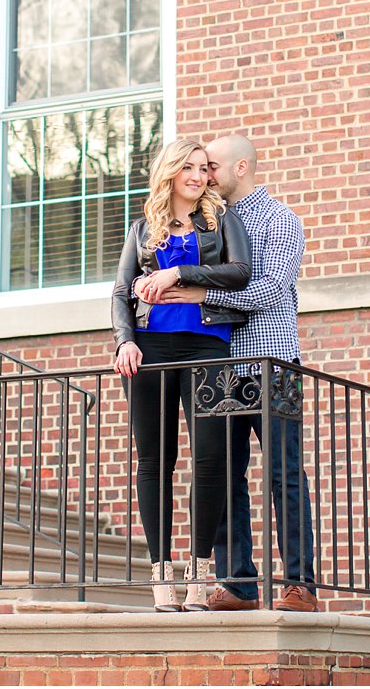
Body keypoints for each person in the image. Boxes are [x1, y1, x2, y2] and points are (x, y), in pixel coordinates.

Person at [145, 133, 318, 612]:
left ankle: (300, 583)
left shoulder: (280, 220)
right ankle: (238, 582)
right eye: (198, 168)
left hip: (271, 360)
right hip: (216, 365)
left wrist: (207, 297)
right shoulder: (207, 224)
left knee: (284, 473)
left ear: (240, 168)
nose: (204, 176)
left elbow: (273, 290)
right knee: (223, 473)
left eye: (213, 166)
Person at [111, 138, 253, 612]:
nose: (198, 176)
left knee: (211, 458)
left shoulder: (220, 222)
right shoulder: (141, 228)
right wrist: (124, 340)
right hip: (149, 349)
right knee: (155, 460)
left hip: (207, 346)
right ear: (170, 173)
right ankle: (160, 576)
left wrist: (177, 275)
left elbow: (240, 273)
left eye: (202, 168)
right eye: (187, 168)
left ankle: (198, 571)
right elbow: (119, 294)